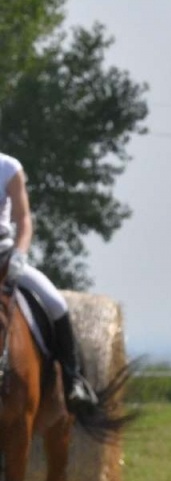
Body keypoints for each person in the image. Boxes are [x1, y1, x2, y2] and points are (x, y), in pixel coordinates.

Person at [0, 152, 99, 414]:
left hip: (4, 256)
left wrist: (19, 255)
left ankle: (72, 380)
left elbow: (23, 219)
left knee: (55, 302)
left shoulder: (8, 167)